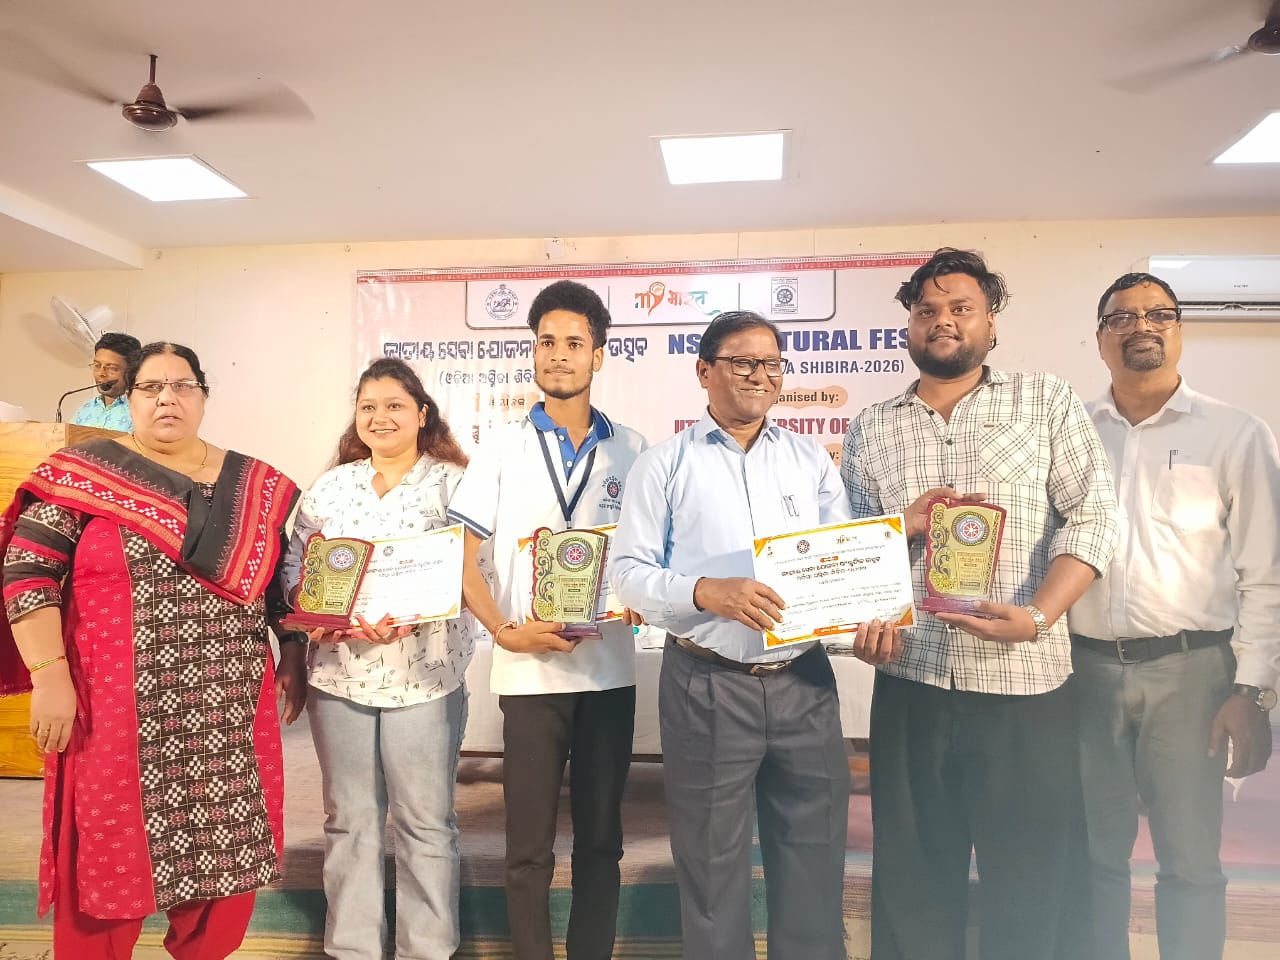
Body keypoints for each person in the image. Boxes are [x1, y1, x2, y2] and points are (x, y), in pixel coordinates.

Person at [840, 248, 1118, 960]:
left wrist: (1040, 615)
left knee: (1030, 881)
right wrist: (867, 622)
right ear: (908, 324)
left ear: (991, 321)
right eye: (926, 309)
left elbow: (1094, 519)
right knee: (912, 880)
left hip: (1026, 687)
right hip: (913, 683)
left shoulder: (1045, 401)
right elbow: (855, 553)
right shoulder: (873, 426)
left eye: (960, 307)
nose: (942, 321)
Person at [0, 341, 305, 960]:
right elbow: (27, 572)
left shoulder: (257, 485)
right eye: (151, 387)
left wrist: (294, 652)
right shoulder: (81, 473)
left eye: (183, 385)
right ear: (130, 399)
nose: (167, 398)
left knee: (227, 851)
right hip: (112, 709)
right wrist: (49, 677)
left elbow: (280, 585)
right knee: (109, 852)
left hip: (226, 710)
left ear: (203, 396)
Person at [610, 310, 863, 960]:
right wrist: (705, 591)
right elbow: (631, 575)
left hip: (806, 683)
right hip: (707, 682)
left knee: (813, 860)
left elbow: (840, 559)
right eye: (743, 362)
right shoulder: (663, 464)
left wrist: (866, 606)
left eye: (772, 364)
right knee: (712, 870)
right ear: (704, 371)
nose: (760, 375)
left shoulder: (810, 460)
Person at [1068, 272, 1280, 960]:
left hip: (1194, 676)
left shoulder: (1235, 434)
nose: (1142, 327)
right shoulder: (1070, 432)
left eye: (1159, 314)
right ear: (1101, 338)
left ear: (1180, 330)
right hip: (1086, 674)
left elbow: (1266, 573)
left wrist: (1251, 691)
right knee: (1093, 858)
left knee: (1190, 862)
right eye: (1122, 318)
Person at [447, 279, 646, 960]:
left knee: (601, 843)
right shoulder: (500, 447)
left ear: (599, 354)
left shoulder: (635, 448)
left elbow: (649, 558)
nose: (558, 355)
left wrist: (643, 598)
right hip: (528, 671)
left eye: (574, 343)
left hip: (608, 672)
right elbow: (462, 558)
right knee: (526, 847)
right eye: (546, 342)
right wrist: (505, 630)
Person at [280, 357, 473, 960]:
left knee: (425, 824)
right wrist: (319, 619)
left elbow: (479, 576)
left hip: (425, 676)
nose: (380, 416)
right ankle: (353, 949)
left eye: (394, 405)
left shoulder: (453, 483)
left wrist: (427, 608)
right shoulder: (330, 487)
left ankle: (429, 949)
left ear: (421, 414)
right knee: (350, 821)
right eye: (368, 406)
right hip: (339, 678)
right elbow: (293, 571)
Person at [71, 332, 142, 430]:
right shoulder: (85, 409)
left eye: (111, 368)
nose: (101, 373)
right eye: (97, 366)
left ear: (132, 371)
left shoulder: (141, 411)